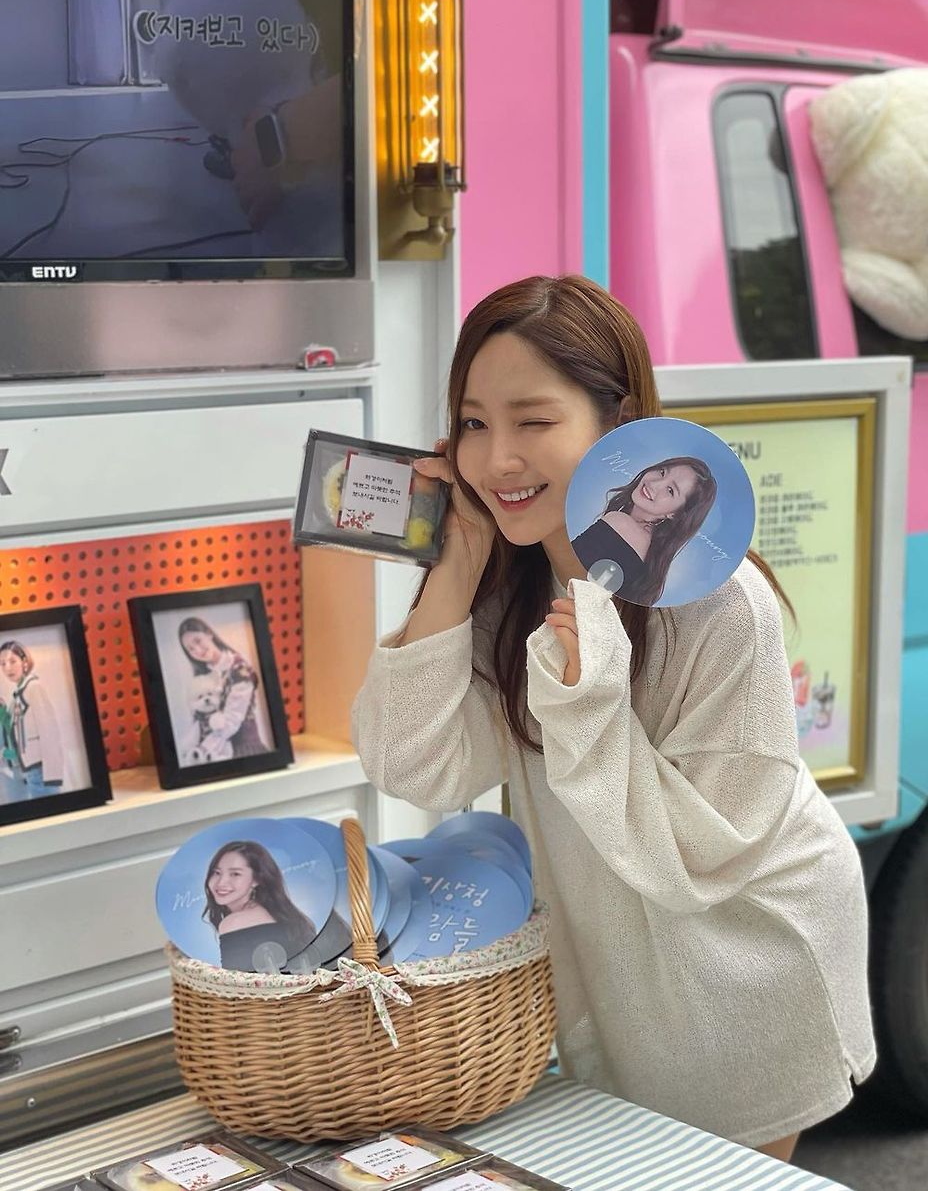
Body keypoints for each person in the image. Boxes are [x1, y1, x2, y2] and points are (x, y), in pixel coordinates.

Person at [351, 275, 876, 1161]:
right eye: (473, 423)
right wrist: (456, 567)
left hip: (743, 949)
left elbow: (705, 855)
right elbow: (415, 766)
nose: (498, 459)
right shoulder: (506, 590)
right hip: (611, 959)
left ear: (618, 423)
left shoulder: (718, 603)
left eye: (533, 421)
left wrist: (587, 699)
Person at [571, 456, 717, 605]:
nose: (654, 484)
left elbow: (567, 575)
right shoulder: (651, 557)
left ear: (675, 514)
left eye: (670, 490)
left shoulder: (621, 523)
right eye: (662, 472)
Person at [202, 840, 316, 971]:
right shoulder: (292, 917)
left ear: (256, 879)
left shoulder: (233, 923)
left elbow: (234, 982)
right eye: (217, 872)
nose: (221, 882)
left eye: (235, 874)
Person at [177, 618, 267, 763]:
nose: (197, 651)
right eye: (191, 649)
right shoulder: (204, 676)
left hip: (243, 751)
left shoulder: (239, 669)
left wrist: (202, 750)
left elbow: (231, 721)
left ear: (209, 634)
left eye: (198, 641)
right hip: (213, 754)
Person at [0, 640, 64, 799]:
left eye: (12, 661)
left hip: (40, 770)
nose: (7, 668)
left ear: (25, 661)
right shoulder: (18, 693)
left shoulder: (33, 687)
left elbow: (49, 731)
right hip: (28, 769)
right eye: (2, 663)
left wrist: (52, 776)